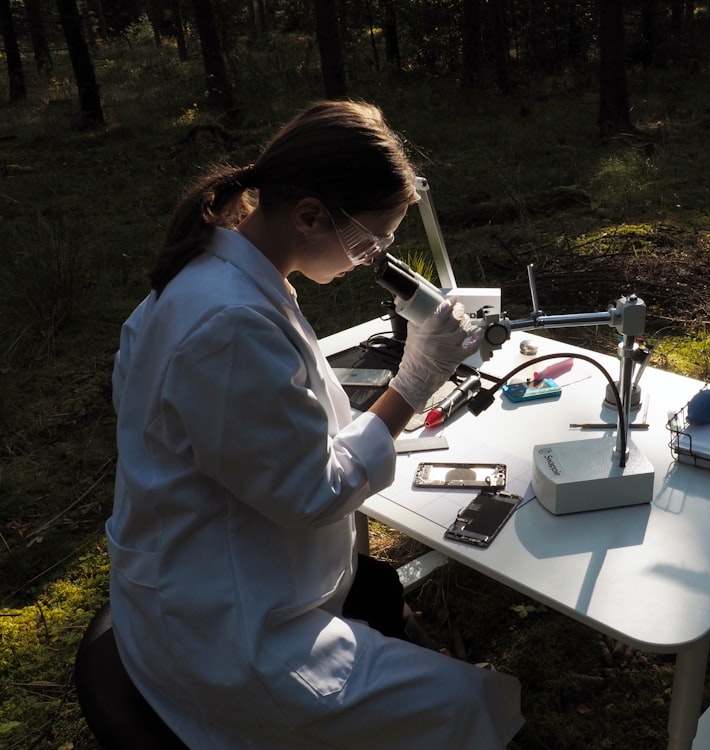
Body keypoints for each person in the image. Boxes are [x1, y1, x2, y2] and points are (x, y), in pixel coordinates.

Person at [107, 100, 523, 749]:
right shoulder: (231, 324)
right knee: (465, 704)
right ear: (308, 215)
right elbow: (313, 492)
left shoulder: (205, 274)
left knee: (383, 601)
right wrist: (414, 382)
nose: (373, 258)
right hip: (228, 640)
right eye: (371, 241)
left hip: (198, 587)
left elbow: (220, 425)